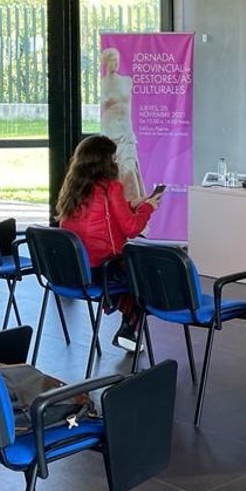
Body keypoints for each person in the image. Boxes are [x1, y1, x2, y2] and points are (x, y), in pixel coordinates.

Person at [57, 135, 163, 350]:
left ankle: (123, 319)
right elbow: (131, 229)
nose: (116, 162)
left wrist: (132, 205)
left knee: (130, 276)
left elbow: (102, 214)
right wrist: (148, 207)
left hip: (74, 270)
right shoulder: (111, 188)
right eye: (114, 158)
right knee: (145, 277)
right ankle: (128, 329)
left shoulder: (74, 188)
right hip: (103, 270)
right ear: (105, 161)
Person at [99, 47, 146, 204]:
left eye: (117, 61)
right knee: (112, 175)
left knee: (129, 169)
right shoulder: (102, 84)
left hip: (125, 133)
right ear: (106, 62)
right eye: (113, 60)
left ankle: (133, 207)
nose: (116, 63)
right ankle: (115, 208)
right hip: (109, 134)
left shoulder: (127, 81)